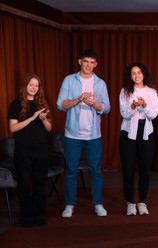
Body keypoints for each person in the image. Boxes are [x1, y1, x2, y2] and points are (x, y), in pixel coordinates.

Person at [56, 49, 111, 218]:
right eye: (85, 61)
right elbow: (60, 105)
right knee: (71, 170)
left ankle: (98, 204)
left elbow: (107, 108)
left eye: (92, 62)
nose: (88, 65)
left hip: (94, 136)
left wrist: (95, 104)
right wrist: (78, 99)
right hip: (72, 135)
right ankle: (69, 205)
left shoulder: (100, 83)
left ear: (95, 64)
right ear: (80, 61)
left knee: (96, 170)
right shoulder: (69, 80)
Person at [8, 73, 53, 227]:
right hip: (23, 151)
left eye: (36, 85)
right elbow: (13, 128)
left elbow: (49, 128)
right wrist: (32, 118)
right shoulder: (16, 104)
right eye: (31, 85)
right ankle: (26, 216)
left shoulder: (42, 103)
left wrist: (44, 119)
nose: (33, 88)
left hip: (40, 150)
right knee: (24, 184)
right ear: (25, 86)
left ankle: (39, 214)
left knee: (40, 183)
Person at [119, 62, 158, 216]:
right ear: (130, 76)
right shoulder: (125, 91)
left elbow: (153, 114)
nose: (136, 75)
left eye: (139, 72)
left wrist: (144, 104)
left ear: (144, 74)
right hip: (128, 133)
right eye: (133, 73)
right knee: (128, 170)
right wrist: (134, 106)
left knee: (145, 170)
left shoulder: (152, 92)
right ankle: (130, 202)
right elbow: (125, 114)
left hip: (146, 133)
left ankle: (142, 201)